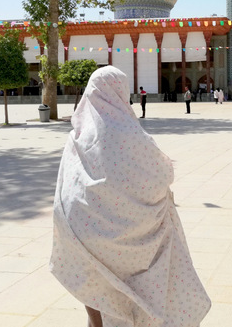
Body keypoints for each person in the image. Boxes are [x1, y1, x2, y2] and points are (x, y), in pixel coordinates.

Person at [50, 66, 210, 327]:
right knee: (137, 283)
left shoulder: (77, 136)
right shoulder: (133, 134)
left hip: (85, 231)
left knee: (93, 279)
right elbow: (162, 175)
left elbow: (68, 185)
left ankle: (96, 323)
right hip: (130, 239)